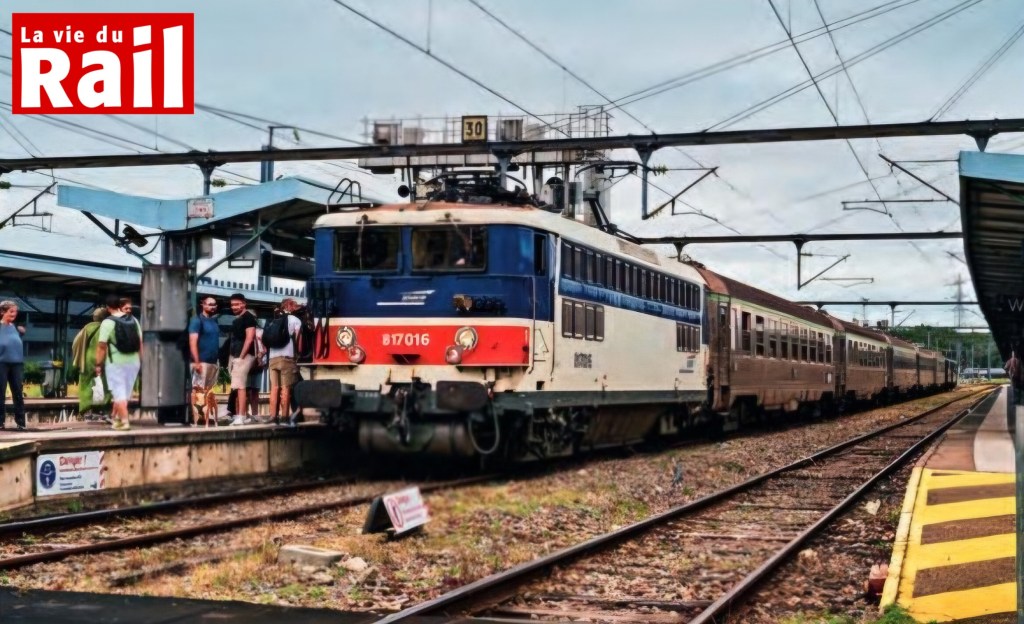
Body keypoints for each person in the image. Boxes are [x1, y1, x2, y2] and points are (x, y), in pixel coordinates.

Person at [95, 294, 142, 431]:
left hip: (116, 363)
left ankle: (124, 422)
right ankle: (116, 419)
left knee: (119, 394)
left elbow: (102, 346)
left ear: (108, 308)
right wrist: (141, 361)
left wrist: (98, 364)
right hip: (134, 362)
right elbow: (140, 343)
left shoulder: (108, 322)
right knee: (125, 395)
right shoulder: (133, 320)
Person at [266, 298, 303, 425]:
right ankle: (284, 417)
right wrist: (299, 355)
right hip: (287, 357)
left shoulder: (273, 320)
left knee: (274, 388)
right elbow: (299, 341)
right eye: (295, 305)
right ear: (291, 306)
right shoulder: (295, 320)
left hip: (272, 357)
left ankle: (272, 416)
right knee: (286, 388)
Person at [71, 307, 111, 420]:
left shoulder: (87, 328)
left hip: (88, 359)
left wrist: (78, 355)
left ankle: (85, 409)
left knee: (86, 384)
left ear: (94, 317)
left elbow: (75, 343)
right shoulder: (108, 328)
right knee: (104, 384)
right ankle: (102, 409)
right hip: (103, 357)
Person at [188, 296, 221, 424]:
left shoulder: (214, 321)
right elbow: (193, 341)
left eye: (214, 304)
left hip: (213, 362)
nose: (212, 307)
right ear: (203, 305)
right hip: (201, 361)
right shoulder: (197, 321)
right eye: (210, 304)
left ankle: (205, 417)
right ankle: (196, 418)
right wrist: (196, 361)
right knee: (197, 391)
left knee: (208, 391)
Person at [227, 293, 257, 426]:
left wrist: (241, 357)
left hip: (243, 355)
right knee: (237, 386)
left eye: (237, 304)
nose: (234, 307)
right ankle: (240, 415)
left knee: (240, 386)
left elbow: (249, 338)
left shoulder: (248, 318)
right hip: (236, 354)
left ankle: (241, 416)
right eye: (232, 304)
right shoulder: (238, 319)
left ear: (244, 303)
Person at [0, 300, 27, 431]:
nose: (14, 314)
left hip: (16, 363)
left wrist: (21, 332)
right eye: (11, 311)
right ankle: (0, 422)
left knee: (18, 392)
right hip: (1, 363)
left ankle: (21, 422)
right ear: (2, 312)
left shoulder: (15, 327)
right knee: (0, 392)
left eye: (15, 312)